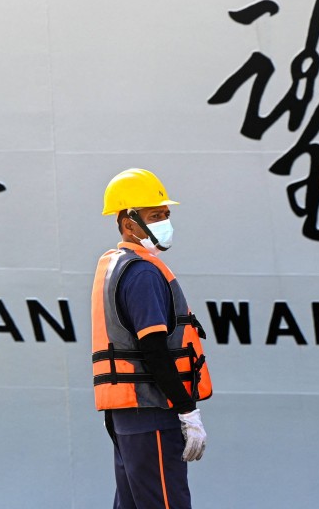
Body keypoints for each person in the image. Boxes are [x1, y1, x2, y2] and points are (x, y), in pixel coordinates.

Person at [91, 168, 212, 509]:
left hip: (127, 414)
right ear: (128, 223)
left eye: (165, 215)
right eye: (154, 216)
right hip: (152, 411)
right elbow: (155, 350)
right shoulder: (143, 273)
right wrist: (187, 410)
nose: (163, 222)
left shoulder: (118, 267)